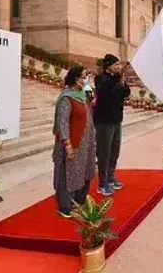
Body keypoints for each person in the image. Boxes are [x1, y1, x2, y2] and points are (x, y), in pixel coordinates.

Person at [52, 66, 96, 218]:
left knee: (84, 170)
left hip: (86, 142)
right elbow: (62, 122)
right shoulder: (67, 97)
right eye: (84, 76)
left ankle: (79, 201)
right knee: (68, 173)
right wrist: (67, 144)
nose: (86, 79)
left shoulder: (82, 95)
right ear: (76, 78)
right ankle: (65, 206)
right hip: (72, 142)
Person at [94, 54, 131, 196]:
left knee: (115, 151)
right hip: (104, 121)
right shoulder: (101, 78)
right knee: (104, 152)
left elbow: (125, 93)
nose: (118, 67)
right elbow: (106, 91)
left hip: (117, 120)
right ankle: (102, 184)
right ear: (108, 65)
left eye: (118, 65)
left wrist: (122, 83)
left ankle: (110, 178)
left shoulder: (117, 79)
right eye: (116, 65)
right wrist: (118, 79)